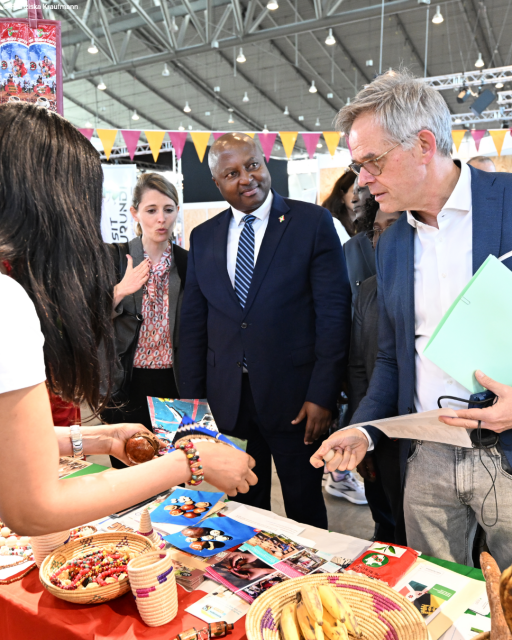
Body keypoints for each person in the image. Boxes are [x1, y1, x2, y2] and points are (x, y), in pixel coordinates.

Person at [0, 103, 257, 536]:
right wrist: (190, 461)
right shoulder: (10, 301)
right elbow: (34, 508)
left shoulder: (186, 262)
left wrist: (92, 440)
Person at [311, 70, 512, 570]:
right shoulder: (395, 242)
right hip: (427, 455)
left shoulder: (508, 203)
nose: (361, 179)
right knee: (436, 591)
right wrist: (364, 430)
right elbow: (391, 359)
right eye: (357, 166)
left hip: (507, 452)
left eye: (371, 162)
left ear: (424, 144)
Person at [179, 132, 352, 528]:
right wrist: (194, 411)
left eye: (253, 165)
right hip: (227, 404)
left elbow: (333, 314)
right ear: (217, 182)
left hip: (297, 403)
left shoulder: (311, 223)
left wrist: (323, 395)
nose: (246, 178)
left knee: (305, 509)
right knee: (241, 508)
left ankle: (309, 584)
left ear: (266, 162)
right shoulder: (203, 238)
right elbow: (192, 329)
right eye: (232, 173)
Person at [101, 173, 187, 468]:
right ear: (135, 213)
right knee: (128, 471)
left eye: (168, 208)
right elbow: (85, 320)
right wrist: (119, 292)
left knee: (171, 472)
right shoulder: (113, 258)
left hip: (174, 384)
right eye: (151, 210)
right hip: (126, 383)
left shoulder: (188, 263)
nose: (161, 219)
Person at [347, 204, 404, 544]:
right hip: (378, 431)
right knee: (385, 517)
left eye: (393, 227)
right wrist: (360, 431)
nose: (382, 238)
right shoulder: (367, 291)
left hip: (423, 435)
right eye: (377, 230)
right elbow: (357, 368)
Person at [343, 178, 376, 305]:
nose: (353, 199)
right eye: (353, 192)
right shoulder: (351, 248)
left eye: (360, 190)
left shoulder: (412, 231)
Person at [322, 170, 358, 237]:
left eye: (364, 191)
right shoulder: (333, 223)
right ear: (342, 195)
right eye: (355, 192)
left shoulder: (364, 223)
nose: (360, 197)